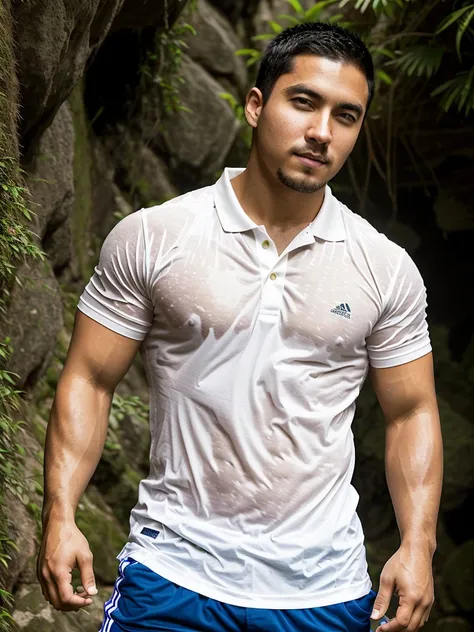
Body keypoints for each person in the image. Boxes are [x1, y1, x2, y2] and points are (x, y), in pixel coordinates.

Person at [37, 21, 443, 632]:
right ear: (257, 105)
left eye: (346, 116)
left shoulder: (384, 268)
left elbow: (412, 412)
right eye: (303, 102)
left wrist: (418, 546)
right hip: (172, 573)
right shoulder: (155, 237)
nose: (320, 132)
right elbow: (90, 378)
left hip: (323, 587)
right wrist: (61, 513)